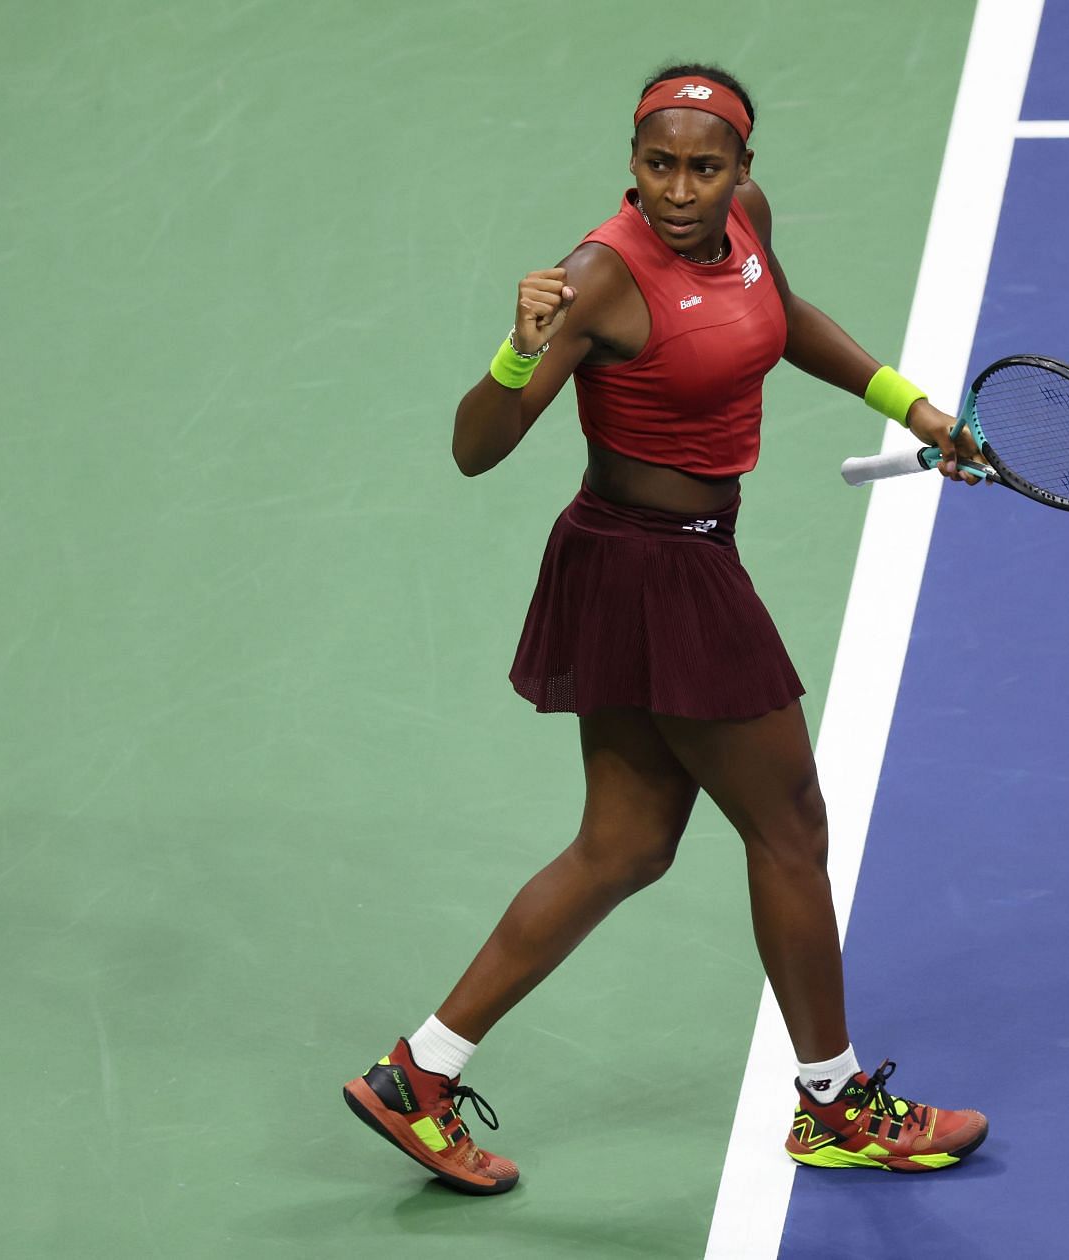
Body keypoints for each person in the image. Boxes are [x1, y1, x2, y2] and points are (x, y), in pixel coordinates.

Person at [344, 63, 987, 1196]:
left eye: (703, 166)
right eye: (658, 165)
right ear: (629, 164)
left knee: (626, 844)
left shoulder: (747, 227)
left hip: (665, 561)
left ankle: (418, 1076)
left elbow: (781, 320)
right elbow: (474, 448)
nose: (680, 190)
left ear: (743, 169)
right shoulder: (599, 277)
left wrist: (914, 406)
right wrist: (517, 345)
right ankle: (835, 1105)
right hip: (650, 569)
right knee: (789, 823)